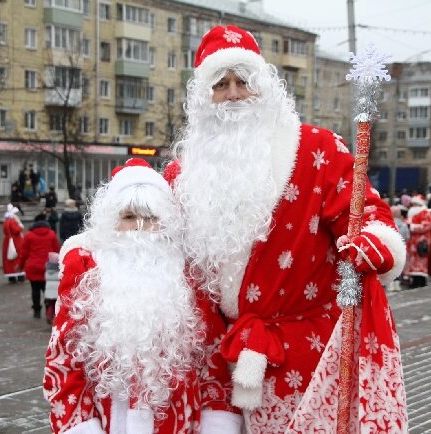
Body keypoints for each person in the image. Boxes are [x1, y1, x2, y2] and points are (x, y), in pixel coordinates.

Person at [170, 25, 407, 431]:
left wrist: (373, 240)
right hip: (218, 362)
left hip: (306, 355)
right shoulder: (181, 176)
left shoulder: (318, 149)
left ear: (263, 87)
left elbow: (360, 206)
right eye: (219, 84)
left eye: (243, 81)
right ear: (203, 98)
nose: (232, 94)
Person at [44, 159, 241, 433]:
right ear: (113, 221)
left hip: (180, 423)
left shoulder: (188, 275)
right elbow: (64, 361)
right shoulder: (86, 271)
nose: (139, 227)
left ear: (166, 221)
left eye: (150, 218)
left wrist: (217, 422)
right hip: (109, 421)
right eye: (129, 217)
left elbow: (213, 360)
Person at [19, 213, 60, 319]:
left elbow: (24, 253)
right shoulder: (51, 234)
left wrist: (20, 265)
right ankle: (49, 311)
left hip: (33, 266)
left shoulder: (29, 235)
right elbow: (56, 250)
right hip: (48, 267)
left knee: (35, 289)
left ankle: (36, 310)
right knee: (47, 290)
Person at [404, 194, 431, 288]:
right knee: (412, 261)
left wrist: (412, 227)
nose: (413, 206)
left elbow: (426, 226)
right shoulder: (412, 213)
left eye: (415, 204)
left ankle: (420, 281)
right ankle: (414, 280)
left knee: (421, 260)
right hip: (412, 240)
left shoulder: (426, 213)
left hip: (422, 241)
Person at [2, 204, 25, 283]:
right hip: (16, 241)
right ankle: (20, 275)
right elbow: (16, 230)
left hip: (8, 242)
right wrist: (21, 226)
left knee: (9, 259)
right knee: (17, 258)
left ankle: (11, 277)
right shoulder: (12, 221)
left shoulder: (6, 221)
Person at [43, 252, 59, 325]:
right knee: (56, 306)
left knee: (50, 305)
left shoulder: (47, 271)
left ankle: (49, 315)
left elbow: (45, 279)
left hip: (48, 292)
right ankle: (54, 319)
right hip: (56, 292)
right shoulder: (59, 271)